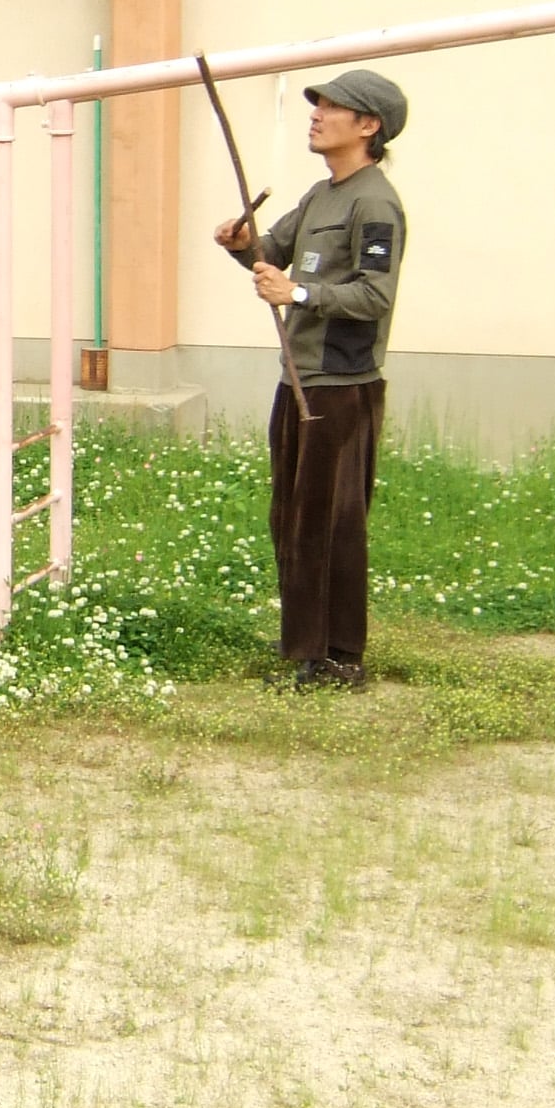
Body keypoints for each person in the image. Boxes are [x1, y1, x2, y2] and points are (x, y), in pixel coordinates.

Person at [212, 69, 409, 689]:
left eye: (332, 107)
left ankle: (338, 655)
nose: (317, 114)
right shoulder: (323, 194)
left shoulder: (374, 201)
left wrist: (295, 290)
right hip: (298, 381)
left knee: (332, 522)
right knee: (293, 516)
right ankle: (305, 642)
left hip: (341, 386)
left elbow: (375, 295)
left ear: (369, 125)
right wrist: (240, 244)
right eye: (317, 105)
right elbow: (269, 253)